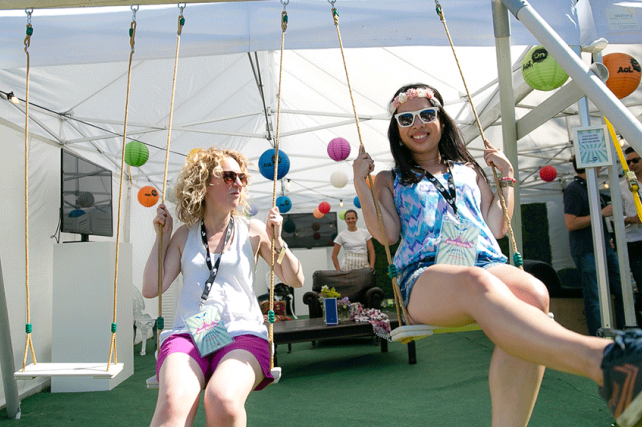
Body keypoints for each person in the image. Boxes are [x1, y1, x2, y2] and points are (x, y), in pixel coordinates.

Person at [353, 82, 642, 427]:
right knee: (475, 280)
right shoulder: (389, 179)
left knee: (534, 293)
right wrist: (361, 184)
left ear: (441, 120)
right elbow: (387, 234)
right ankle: (607, 361)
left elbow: (496, 227)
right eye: (406, 120)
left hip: (485, 262)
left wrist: (505, 176)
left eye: (427, 114)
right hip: (426, 274)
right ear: (396, 131)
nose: (418, 124)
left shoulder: (469, 170)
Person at [142, 147, 304, 427]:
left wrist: (277, 241)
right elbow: (150, 288)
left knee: (223, 400)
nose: (239, 183)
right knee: (172, 401)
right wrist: (163, 236)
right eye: (229, 176)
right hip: (190, 333)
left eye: (242, 177)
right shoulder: (184, 235)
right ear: (204, 183)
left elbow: (294, 279)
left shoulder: (253, 230)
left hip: (243, 333)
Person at [563, 155, 625, 336]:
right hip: (586, 250)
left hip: (603, 246)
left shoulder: (591, 188)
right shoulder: (574, 190)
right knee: (594, 297)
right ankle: (598, 340)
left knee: (622, 290)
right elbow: (571, 223)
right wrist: (601, 213)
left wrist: (608, 236)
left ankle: (624, 333)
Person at [620, 146, 642, 325]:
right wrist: (631, 219)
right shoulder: (621, 186)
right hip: (635, 241)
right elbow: (614, 215)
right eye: (628, 162)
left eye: (635, 160)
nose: (632, 165)